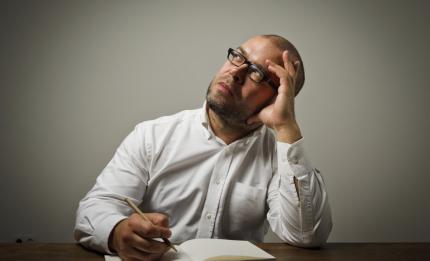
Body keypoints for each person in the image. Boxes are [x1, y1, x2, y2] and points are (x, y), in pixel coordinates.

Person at [74, 34, 332, 260]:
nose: (236, 73)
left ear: (277, 98)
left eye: (256, 73)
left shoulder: (281, 157)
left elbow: (306, 236)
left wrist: (287, 127)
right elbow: (95, 208)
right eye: (238, 57)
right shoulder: (152, 135)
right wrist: (117, 231)